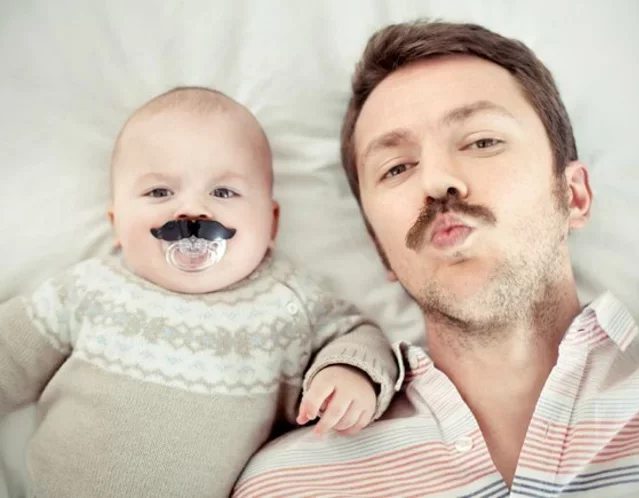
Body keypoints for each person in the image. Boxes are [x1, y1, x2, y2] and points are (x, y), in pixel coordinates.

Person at [233, 20, 639, 497]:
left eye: (482, 141)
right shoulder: (287, 483)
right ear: (380, 248)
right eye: (397, 167)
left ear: (574, 196)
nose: (436, 181)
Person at [0, 87, 398, 497]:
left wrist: (347, 372)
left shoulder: (288, 302)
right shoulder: (89, 289)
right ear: (116, 222)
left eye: (223, 192)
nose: (192, 210)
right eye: (159, 192)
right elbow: (9, 352)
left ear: (271, 223)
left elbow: (357, 333)